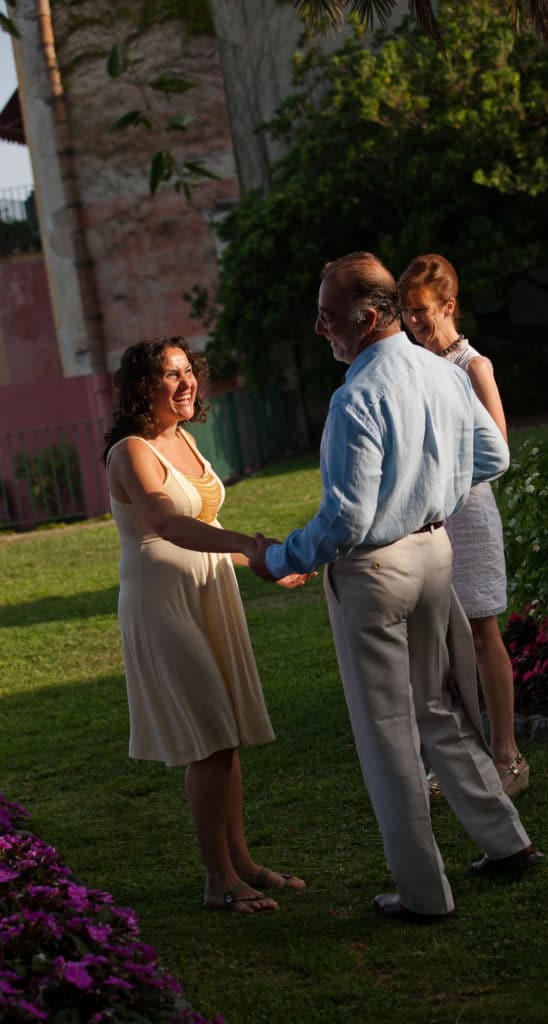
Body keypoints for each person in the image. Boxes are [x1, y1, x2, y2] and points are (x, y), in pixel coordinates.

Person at [251, 253, 541, 922]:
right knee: (441, 708)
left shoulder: (356, 396)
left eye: (327, 316)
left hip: (376, 571)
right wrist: (432, 488)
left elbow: (347, 518)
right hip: (434, 554)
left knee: (388, 734)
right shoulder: (444, 372)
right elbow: (494, 455)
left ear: (366, 317)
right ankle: (507, 844)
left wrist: (282, 555)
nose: (320, 329)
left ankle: (423, 894)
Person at [104, 336, 310, 915]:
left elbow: (205, 522)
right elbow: (168, 525)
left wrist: (266, 562)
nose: (186, 381)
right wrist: (250, 545)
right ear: (143, 386)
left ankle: (241, 863)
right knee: (210, 735)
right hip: (162, 603)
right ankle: (218, 880)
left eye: (188, 370)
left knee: (227, 735)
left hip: (207, 592)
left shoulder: (185, 439)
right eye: (171, 374)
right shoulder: (131, 451)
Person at [398, 254, 528, 798]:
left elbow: (497, 451)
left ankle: (507, 754)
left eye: (421, 310)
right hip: (424, 516)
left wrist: (439, 475)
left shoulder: (475, 367)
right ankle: (452, 760)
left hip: (468, 513)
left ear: (448, 306)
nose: (412, 321)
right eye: (406, 312)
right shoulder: (410, 366)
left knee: (481, 631)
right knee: (433, 641)